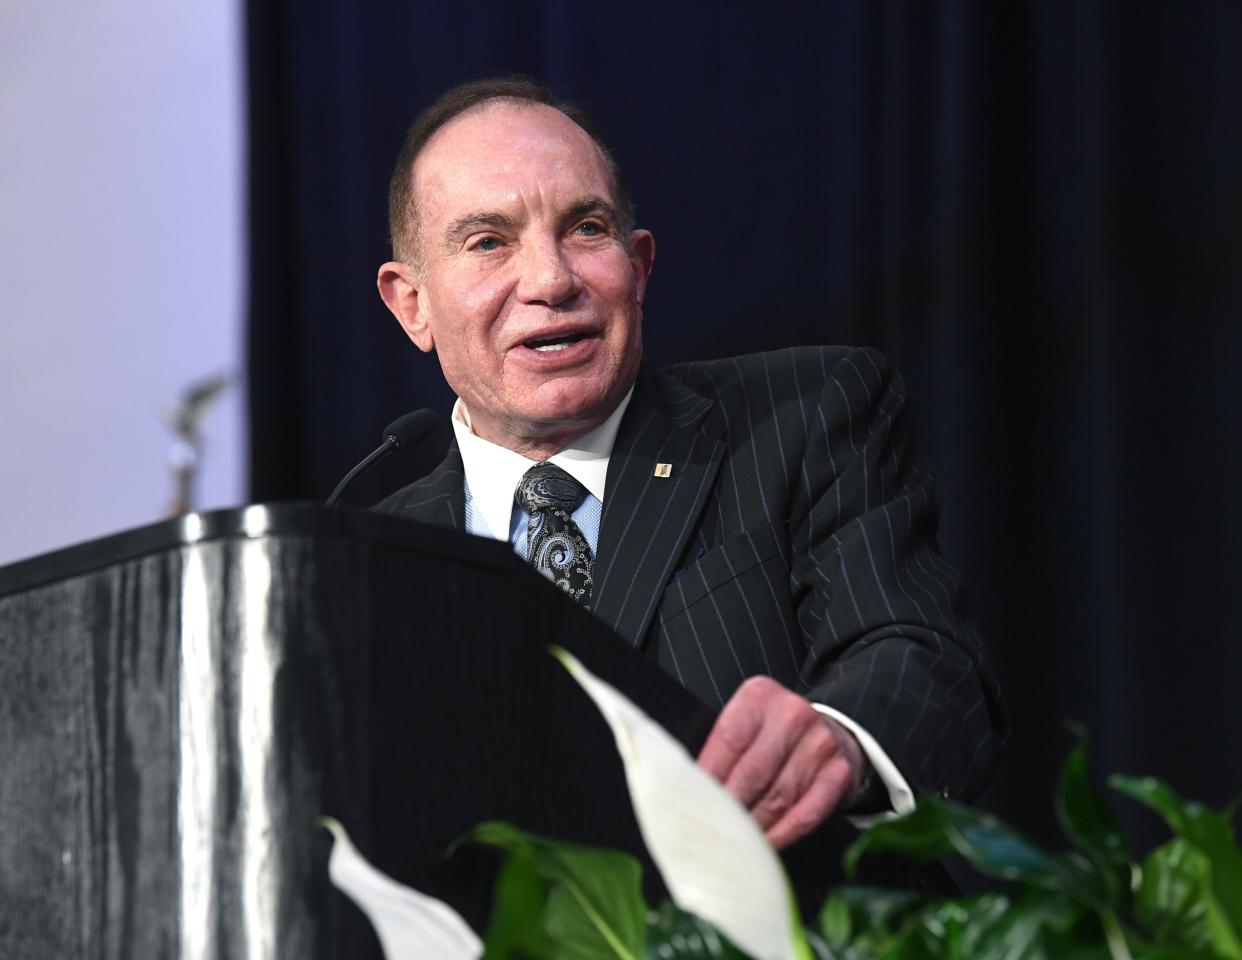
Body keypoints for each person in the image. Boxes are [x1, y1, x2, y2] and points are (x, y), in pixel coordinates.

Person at [374, 77, 1006, 849]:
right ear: (413, 304)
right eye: (488, 242)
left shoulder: (804, 416)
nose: (550, 280)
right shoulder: (372, 556)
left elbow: (926, 662)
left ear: (638, 267)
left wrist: (838, 738)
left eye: (585, 228)